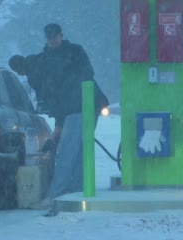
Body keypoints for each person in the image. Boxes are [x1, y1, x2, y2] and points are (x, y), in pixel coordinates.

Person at [10, 23, 109, 216]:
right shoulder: (45, 63)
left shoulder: (56, 61)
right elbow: (58, 101)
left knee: (67, 151)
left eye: (55, 36)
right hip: (83, 105)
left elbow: (81, 79)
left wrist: (58, 133)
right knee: (78, 150)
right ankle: (75, 193)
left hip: (84, 104)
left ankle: (57, 197)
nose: (53, 40)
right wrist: (56, 133)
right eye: (49, 37)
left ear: (61, 36)